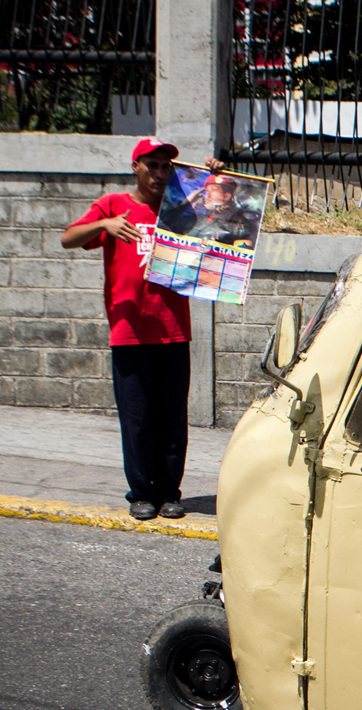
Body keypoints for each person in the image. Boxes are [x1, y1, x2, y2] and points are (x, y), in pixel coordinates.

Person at [61, 138, 224, 520]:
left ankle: (169, 493)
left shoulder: (181, 206)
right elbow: (69, 238)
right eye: (152, 164)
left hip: (173, 330)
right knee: (137, 418)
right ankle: (141, 493)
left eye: (167, 166)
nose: (160, 172)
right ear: (136, 167)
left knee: (171, 418)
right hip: (129, 332)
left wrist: (216, 179)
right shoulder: (115, 205)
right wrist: (105, 224)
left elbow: (225, 217)